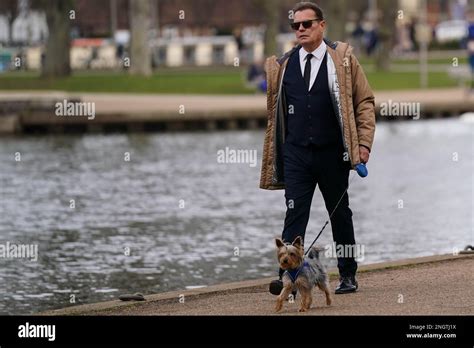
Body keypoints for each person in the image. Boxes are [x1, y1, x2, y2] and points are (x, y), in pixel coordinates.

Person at [260, 2, 376, 295]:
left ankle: (348, 274)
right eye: (295, 26)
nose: (300, 29)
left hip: (333, 153)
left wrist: (363, 144)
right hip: (296, 153)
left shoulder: (343, 59)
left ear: (321, 25)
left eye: (306, 24)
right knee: (294, 215)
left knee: (341, 215)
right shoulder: (283, 65)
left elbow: (364, 101)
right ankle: (288, 280)